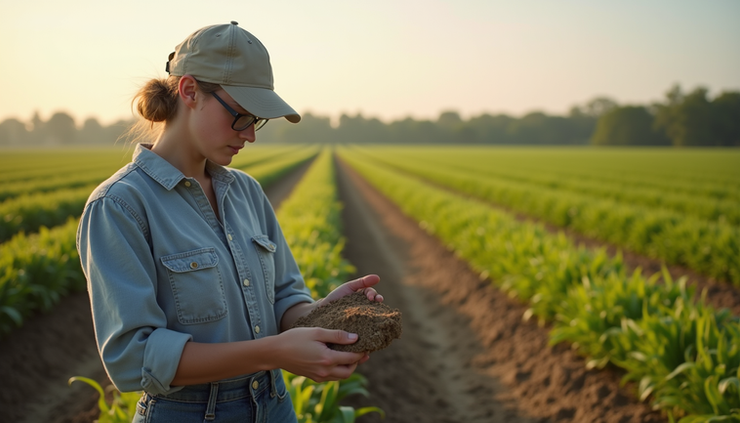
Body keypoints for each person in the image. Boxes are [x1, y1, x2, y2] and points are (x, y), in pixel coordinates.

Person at [76, 21, 383, 422]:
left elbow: (284, 299)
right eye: (240, 116)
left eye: (256, 120)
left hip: (273, 405)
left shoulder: (246, 192)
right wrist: (273, 352)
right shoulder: (119, 205)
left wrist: (324, 315)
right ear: (189, 91)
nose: (250, 135)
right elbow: (134, 359)